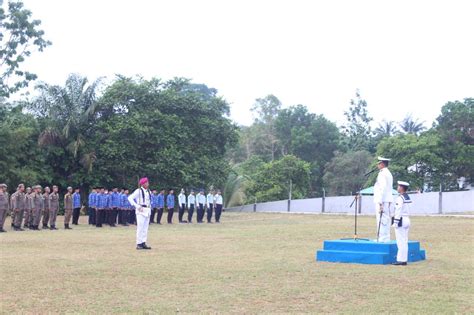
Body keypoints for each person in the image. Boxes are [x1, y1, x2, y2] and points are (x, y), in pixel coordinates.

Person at [373, 157, 394, 242]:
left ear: (382, 164)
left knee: (381, 219)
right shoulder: (388, 173)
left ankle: (382, 238)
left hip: (383, 200)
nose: (378, 165)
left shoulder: (382, 173)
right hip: (387, 199)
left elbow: (382, 188)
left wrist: (380, 202)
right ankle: (385, 238)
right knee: (386, 219)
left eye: (379, 163)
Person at [128, 177, 152, 250]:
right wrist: (137, 206)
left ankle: (143, 242)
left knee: (145, 228)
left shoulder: (148, 191)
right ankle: (138, 243)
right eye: (146, 182)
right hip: (141, 210)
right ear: (143, 184)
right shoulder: (138, 191)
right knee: (140, 227)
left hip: (147, 210)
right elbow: (130, 198)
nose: (147, 183)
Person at [392, 181, 412, 266]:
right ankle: (404, 259)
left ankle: (401, 260)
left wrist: (395, 221)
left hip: (401, 220)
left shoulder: (400, 198)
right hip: (407, 219)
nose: (397, 188)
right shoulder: (407, 197)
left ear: (401, 188)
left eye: (398, 186)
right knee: (405, 240)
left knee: (400, 241)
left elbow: (398, 210)